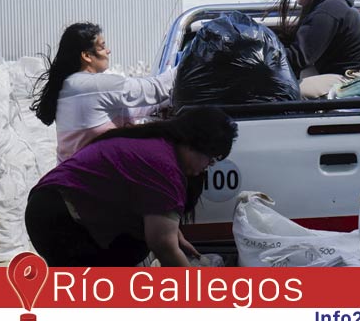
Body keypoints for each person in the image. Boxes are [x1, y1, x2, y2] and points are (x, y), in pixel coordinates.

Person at [24, 107, 238, 267]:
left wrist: (176, 237)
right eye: (209, 160)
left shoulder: (158, 144)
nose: (205, 169)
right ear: (194, 144)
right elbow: (163, 245)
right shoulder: (165, 167)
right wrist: (200, 292)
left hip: (49, 207)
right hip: (59, 217)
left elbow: (160, 223)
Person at [30, 22, 177, 163]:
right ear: (87, 56)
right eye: (102, 46)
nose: (108, 51)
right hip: (88, 182)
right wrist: (192, 59)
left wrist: (163, 104)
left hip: (71, 179)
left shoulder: (70, 86)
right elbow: (155, 88)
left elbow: (133, 108)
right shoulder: (93, 86)